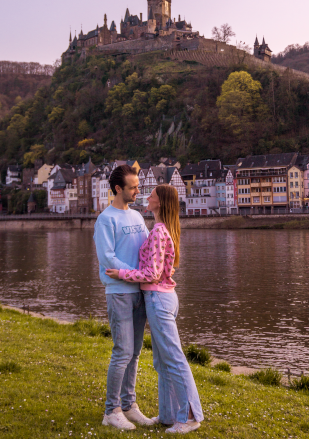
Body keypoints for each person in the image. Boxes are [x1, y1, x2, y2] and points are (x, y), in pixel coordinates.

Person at [106, 184, 204, 434]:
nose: (146, 196)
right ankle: (170, 415)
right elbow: (160, 268)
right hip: (160, 298)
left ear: (160, 202)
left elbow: (152, 273)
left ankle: (190, 417)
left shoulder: (160, 232)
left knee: (173, 359)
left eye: (151, 195)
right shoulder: (162, 229)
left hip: (159, 300)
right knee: (163, 361)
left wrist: (121, 273)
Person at [94, 164, 154, 431]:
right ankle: (111, 411)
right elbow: (108, 259)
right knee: (122, 351)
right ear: (118, 189)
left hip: (140, 292)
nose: (137, 190)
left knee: (136, 353)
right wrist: (139, 274)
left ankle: (129, 406)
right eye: (133, 187)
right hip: (119, 292)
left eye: (138, 185)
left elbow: (148, 248)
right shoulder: (106, 219)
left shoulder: (138, 217)